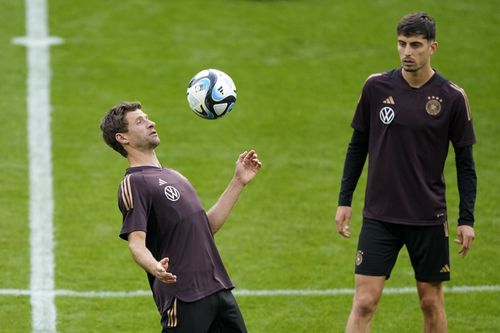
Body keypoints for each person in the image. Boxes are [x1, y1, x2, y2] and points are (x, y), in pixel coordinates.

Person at [334, 12, 477, 333]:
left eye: (415, 45)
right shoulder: (376, 87)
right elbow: (357, 146)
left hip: (427, 217)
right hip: (379, 216)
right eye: (401, 44)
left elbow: (466, 164)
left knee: (431, 302)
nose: (407, 52)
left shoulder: (452, 97)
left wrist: (466, 219)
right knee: (364, 301)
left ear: (432, 47)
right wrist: (345, 200)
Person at [100, 101, 262, 332]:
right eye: (140, 121)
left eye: (147, 117)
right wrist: (154, 267)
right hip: (184, 296)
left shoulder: (175, 175)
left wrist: (238, 182)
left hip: (218, 289)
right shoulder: (134, 183)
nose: (151, 122)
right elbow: (136, 243)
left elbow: (207, 228)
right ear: (122, 138)